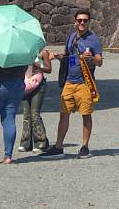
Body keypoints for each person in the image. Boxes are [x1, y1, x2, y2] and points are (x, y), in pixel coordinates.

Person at [40, 9, 103, 158]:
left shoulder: (93, 39)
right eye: (79, 20)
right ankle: (59, 146)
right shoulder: (72, 37)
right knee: (64, 114)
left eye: (85, 20)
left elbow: (99, 61)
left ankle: (85, 146)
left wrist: (91, 59)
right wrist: (56, 56)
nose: (82, 23)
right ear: (75, 22)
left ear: (89, 22)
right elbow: (69, 55)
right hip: (69, 81)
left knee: (86, 114)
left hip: (85, 83)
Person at [19, 56, 50, 154]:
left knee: (35, 113)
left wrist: (38, 65)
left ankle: (41, 142)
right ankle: (26, 142)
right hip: (24, 84)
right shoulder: (20, 53)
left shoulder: (42, 53)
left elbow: (48, 69)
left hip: (38, 85)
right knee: (26, 113)